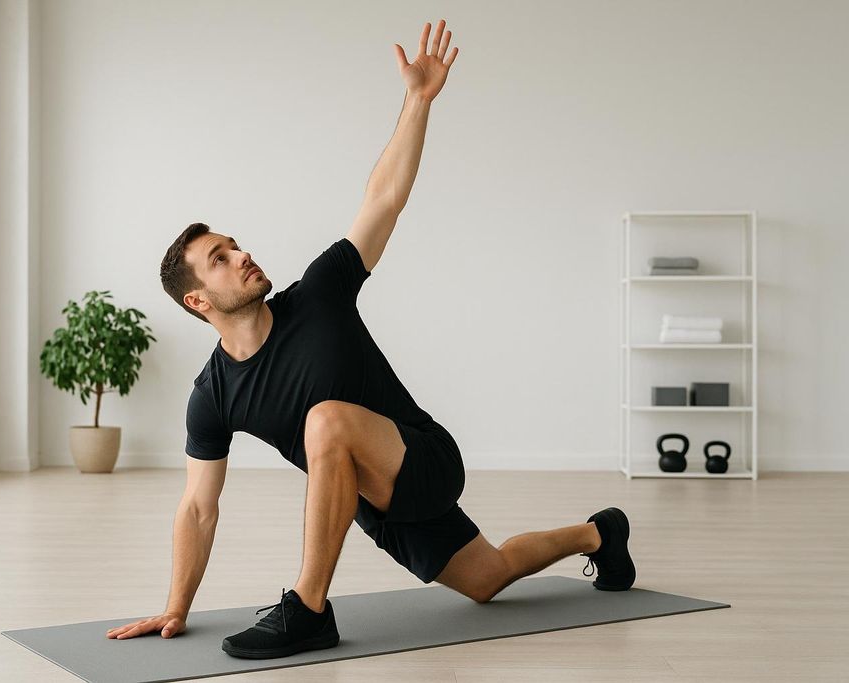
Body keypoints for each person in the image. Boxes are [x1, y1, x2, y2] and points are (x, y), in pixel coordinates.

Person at [107, 19, 635, 659]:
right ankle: (598, 535)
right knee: (488, 576)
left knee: (324, 420)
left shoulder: (319, 294)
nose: (242, 255)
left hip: (424, 460)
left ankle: (307, 608)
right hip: (372, 502)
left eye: (235, 244)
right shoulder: (212, 394)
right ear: (198, 300)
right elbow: (197, 507)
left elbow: (382, 199)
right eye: (220, 258)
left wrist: (417, 101)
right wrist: (175, 608)